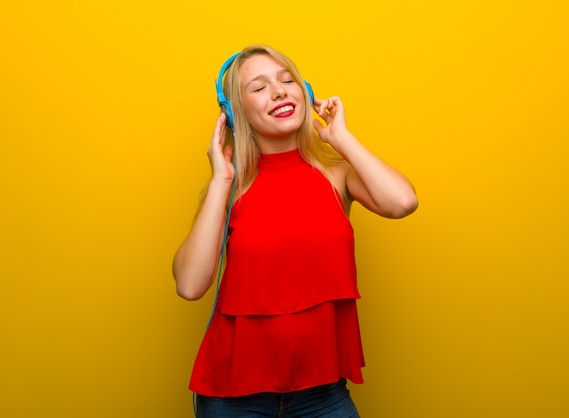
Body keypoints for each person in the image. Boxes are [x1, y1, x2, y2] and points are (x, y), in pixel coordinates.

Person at [172, 44, 418, 417]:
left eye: (288, 80)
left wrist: (340, 138)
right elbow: (190, 286)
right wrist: (221, 181)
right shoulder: (230, 186)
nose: (280, 90)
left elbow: (402, 202)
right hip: (233, 400)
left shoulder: (337, 173)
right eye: (259, 87)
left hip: (323, 395)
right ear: (234, 114)